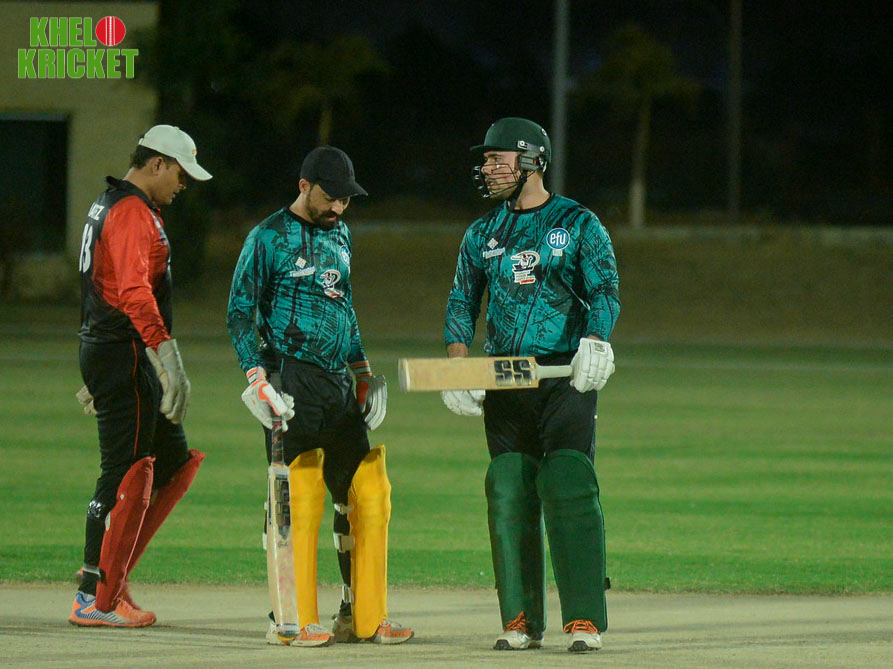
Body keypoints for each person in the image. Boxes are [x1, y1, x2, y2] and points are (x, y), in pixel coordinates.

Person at [442, 118, 620, 653]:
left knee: (568, 483)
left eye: (498, 159)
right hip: (504, 377)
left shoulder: (578, 222)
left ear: (532, 162)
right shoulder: (482, 233)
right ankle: (520, 618)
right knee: (509, 489)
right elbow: (461, 302)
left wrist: (596, 340)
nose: (488, 169)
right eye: (486, 161)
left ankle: (584, 619)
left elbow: (605, 289)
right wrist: (458, 365)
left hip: (566, 375)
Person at [226, 145, 413, 648]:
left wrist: (364, 372)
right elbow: (239, 312)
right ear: (304, 186)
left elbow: (343, 306)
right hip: (289, 380)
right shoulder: (267, 237)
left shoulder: (341, 234)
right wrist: (256, 378)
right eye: (330, 198)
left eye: (346, 200)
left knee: (365, 494)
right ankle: (287, 619)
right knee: (298, 496)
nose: (338, 208)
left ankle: (363, 616)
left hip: (336, 384)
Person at [71, 125, 212, 627]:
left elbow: (101, 283)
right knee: (123, 471)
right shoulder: (132, 210)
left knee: (173, 462)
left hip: (117, 351)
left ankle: (112, 578)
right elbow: (132, 291)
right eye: (180, 172)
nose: (183, 183)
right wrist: (167, 359)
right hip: (123, 352)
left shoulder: (111, 202)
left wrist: (101, 362)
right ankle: (94, 595)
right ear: (157, 163)